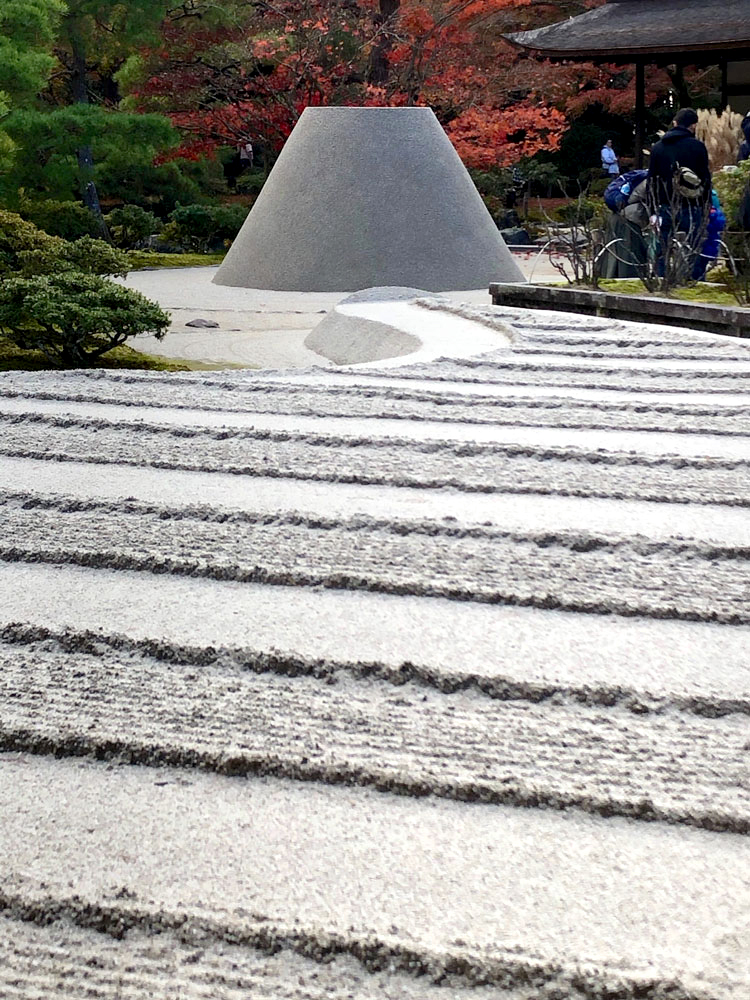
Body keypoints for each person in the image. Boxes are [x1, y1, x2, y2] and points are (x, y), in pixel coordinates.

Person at [646, 107, 712, 279]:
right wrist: (707, 206)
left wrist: (652, 211)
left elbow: (651, 180)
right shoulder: (698, 147)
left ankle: (662, 282)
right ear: (693, 126)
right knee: (694, 250)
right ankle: (695, 284)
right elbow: (705, 179)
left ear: (675, 123)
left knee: (662, 251)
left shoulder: (658, 148)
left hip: (665, 206)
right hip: (692, 206)